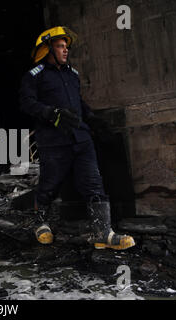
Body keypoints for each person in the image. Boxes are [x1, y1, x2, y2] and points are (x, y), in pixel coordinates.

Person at [19, 26, 135, 250]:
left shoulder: (72, 74)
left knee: (94, 183)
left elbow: (78, 103)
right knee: (49, 184)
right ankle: (40, 222)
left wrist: (92, 119)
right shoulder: (34, 75)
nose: (65, 51)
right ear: (47, 49)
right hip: (53, 141)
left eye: (66, 47)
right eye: (60, 47)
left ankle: (103, 232)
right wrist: (52, 114)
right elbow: (26, 103)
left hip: (81, 139)